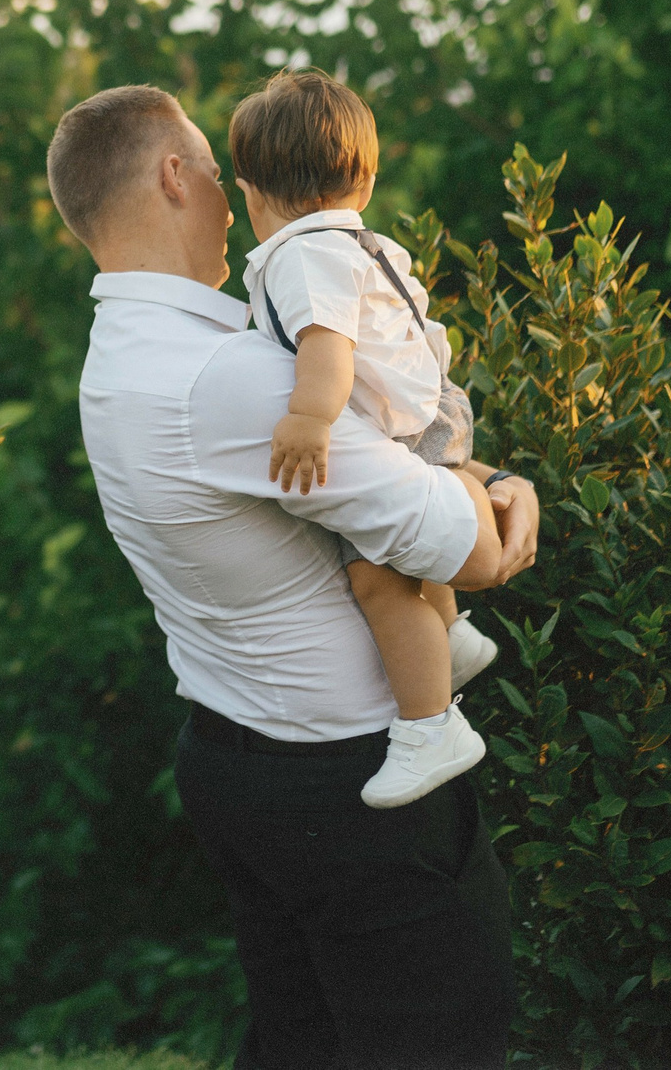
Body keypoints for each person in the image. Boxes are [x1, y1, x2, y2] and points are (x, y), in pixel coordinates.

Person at [46, 83, 539, 1070]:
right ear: (173, 177)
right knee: (446, 1041)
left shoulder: (124, 351)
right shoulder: (226, 376)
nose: (237, 200)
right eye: (217, 175)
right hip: (352, 795)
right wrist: (508, 492)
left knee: (300, 1043)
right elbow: (463, 549)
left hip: (236, 765)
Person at [228, 70, 500, 809]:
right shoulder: (359, 242)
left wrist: (310, 419)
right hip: (434, 411)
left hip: (409, 428)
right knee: (409, 555)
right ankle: (453, 636)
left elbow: (329, 347)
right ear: (368, 181)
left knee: (379, 582)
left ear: (252, 192)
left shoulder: (299, 255)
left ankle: (430, 726)